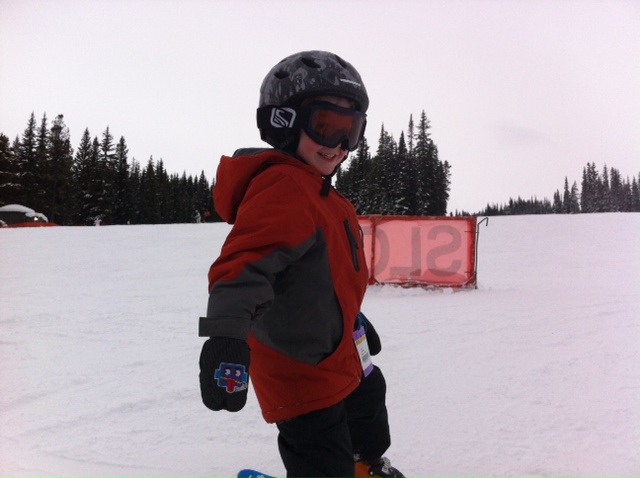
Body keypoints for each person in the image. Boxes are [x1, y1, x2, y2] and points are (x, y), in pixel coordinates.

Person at [198, 50, 406, 478]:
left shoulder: (321, 193)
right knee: (320, 447)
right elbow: (241, 271)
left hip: (341, 348)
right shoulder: (284, 188)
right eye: (327, 127)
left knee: (369, 403)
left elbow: (325, 271)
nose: (339, 147)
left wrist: (352, 317)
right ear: (284, 122)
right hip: (301, 366)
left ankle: (365, 464)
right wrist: (225, 337)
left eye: (351, 132)